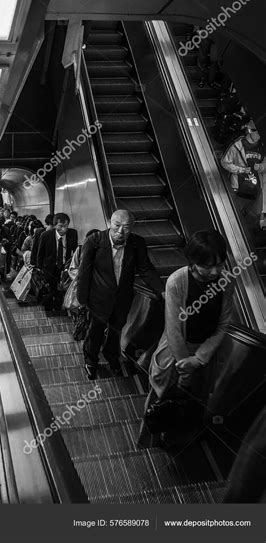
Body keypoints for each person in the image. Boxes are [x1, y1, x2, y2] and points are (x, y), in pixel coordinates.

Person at [140, 229, 234, 447]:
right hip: (175, 353)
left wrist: (199, 359)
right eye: (207, 265)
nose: (215, 271)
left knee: (194, 402)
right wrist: (185, 366)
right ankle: (153, 442)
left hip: (204, 355)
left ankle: (179, 440)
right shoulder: (176, 281)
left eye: (220, 264)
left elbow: (222, 324)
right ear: (193, 261)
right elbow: (173, 328)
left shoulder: (226, 281)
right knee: (163, 400)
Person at [77, 209, 164, 379]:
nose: (120, 232)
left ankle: (112, 357)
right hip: (97, 299)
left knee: (116, 331)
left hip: (123, 299)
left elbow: (145, 269)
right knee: (95, 331)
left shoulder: (137, 243)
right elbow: (84, 272)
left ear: (132, 228)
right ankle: (91, 360)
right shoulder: (94, 241)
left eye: (126, 228)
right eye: (117, 226)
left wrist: (161, 290)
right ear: (110, 222)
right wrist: (82, 299)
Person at [221, 120, 265, 229]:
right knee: (234, 215)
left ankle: (246, 235)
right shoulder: (237, 146)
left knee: (253, 216)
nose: (259, 136)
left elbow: (265, 163)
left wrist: (261, 167)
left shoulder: (262, 146)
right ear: (251, 131)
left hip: (256, 189)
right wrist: (240, 170)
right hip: (238, 188)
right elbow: (225, 162)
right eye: (258, 133)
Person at [37, 212, 78, 313]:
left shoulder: (72, 234)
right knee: (50, 289)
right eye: (61, 226)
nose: (64, 229)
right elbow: (40, 254)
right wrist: (40, 269)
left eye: (66, 226)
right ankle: (49, 310)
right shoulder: (46, 235)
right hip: (50, 268)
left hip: (64, 267)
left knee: (62, 289)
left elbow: (75, 250)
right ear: (55, 225)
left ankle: (59, 309)